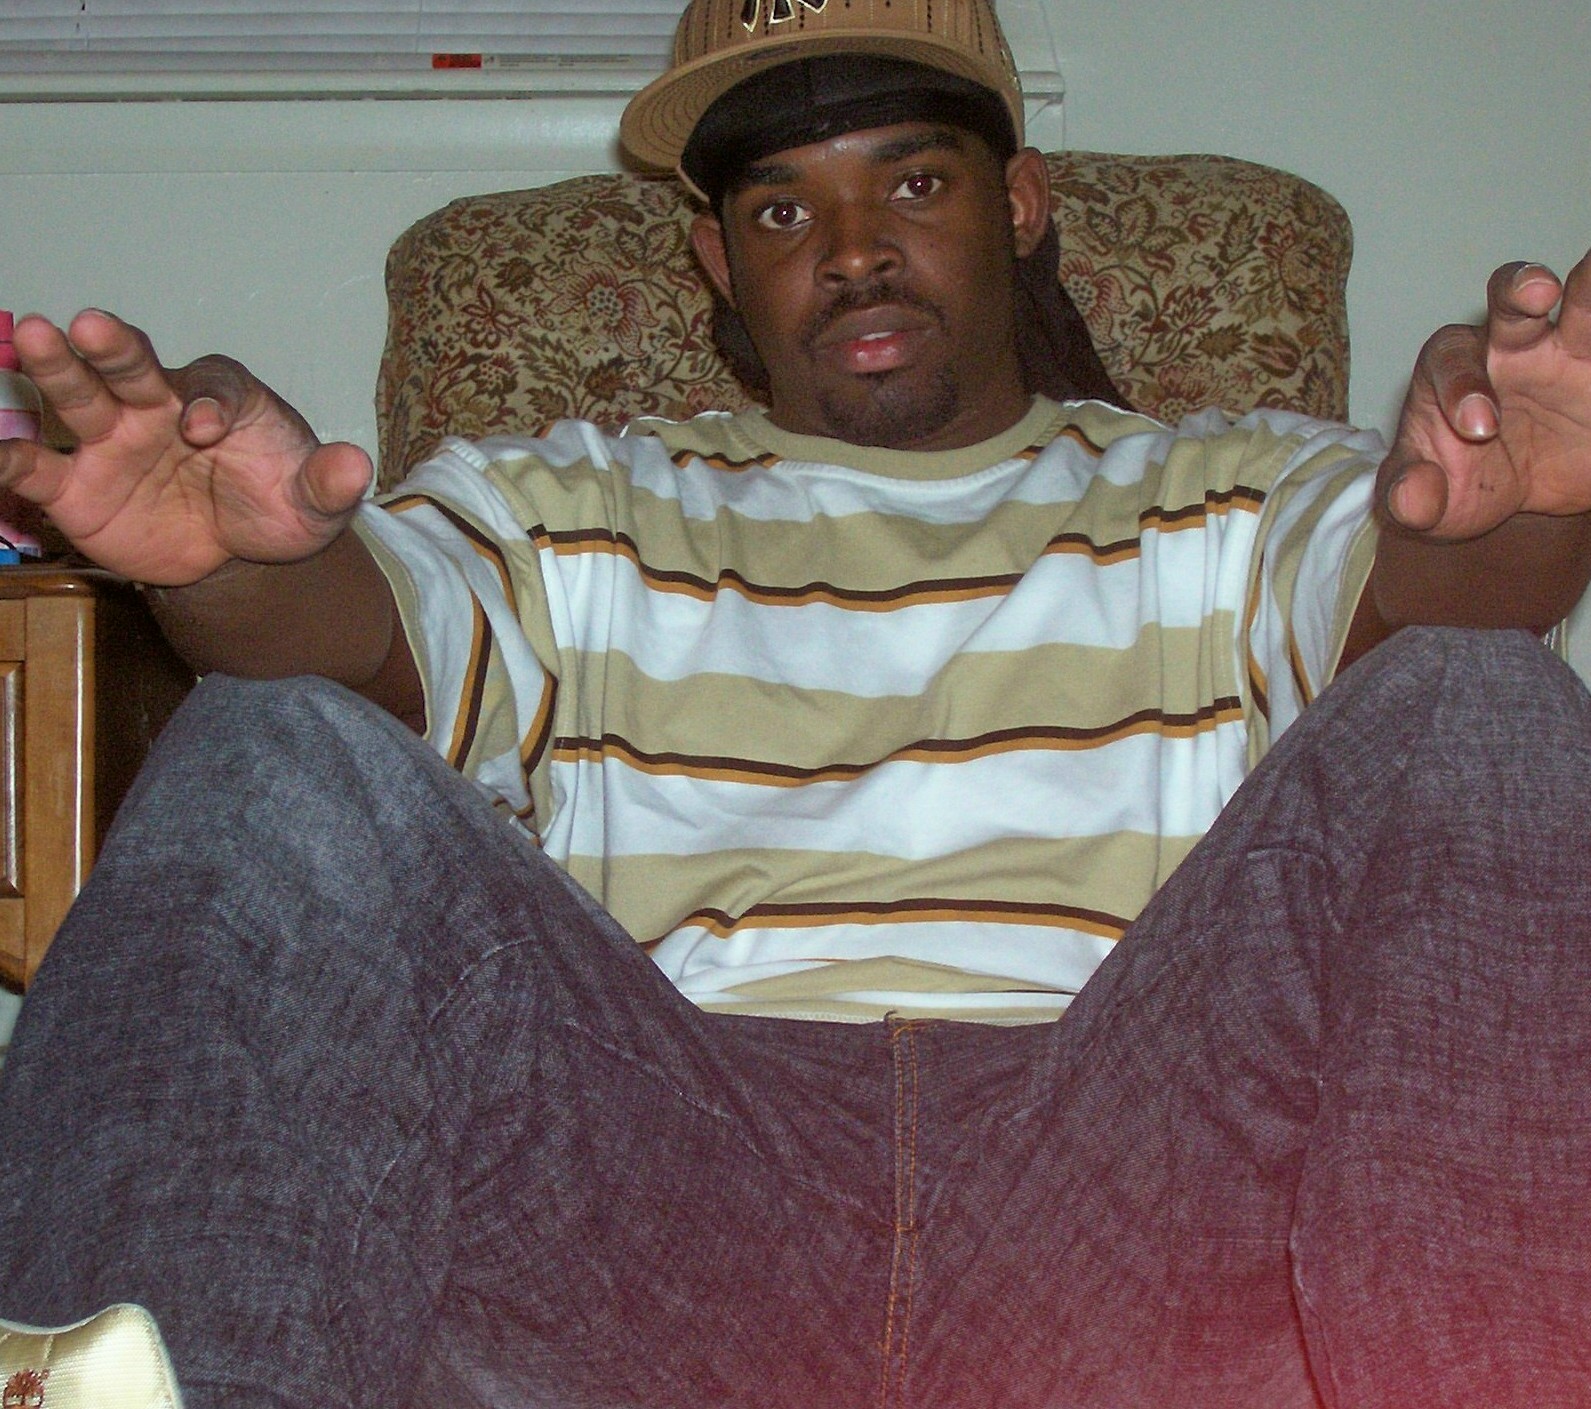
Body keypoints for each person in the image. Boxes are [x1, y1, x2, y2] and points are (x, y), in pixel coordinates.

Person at [2, 0, 1591, 1402]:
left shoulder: (1229, 491)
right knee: (269, 726)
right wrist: (237, 572)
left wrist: (1523, 512)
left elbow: (1424, 601)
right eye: (780, 208)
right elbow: (375, 639)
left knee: (1482, 686)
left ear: (1020, 202)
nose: (851, 250)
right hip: (668, 1213)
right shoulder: (577, 501)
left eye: (914, 182)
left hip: (1121, 1191)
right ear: (716, 257)